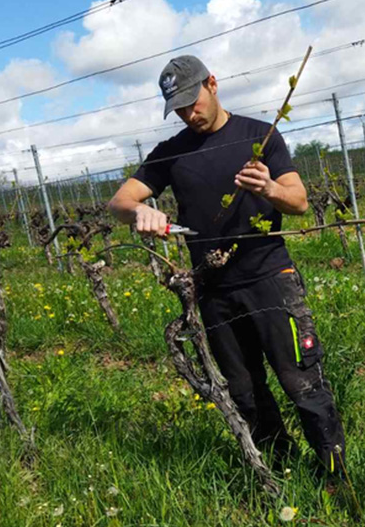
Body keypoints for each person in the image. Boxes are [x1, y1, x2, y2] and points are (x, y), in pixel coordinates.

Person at [109, 55, 346, 477]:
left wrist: (270, 188)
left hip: (271, 280)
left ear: (213, 84)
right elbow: (120, 202)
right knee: (246, 392)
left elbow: (300, 202)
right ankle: (284, 473)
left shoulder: (260, 135)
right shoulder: (171, 153)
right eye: (178, 108)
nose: (188, 113)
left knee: (302, 384)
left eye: (192, 100)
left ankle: (336, 476)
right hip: (213, 291)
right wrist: (142, 213)